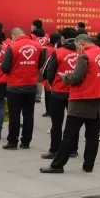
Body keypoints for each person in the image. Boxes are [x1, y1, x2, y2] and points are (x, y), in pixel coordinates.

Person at [41, 34, 100, 174]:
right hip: (98, 99)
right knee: (92, 136)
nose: (77, 50)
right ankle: (88, 165)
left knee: (69, 135)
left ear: (82, 44)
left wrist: (66, 78)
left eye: (77, 47)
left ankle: (57, 165)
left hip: (81, 100)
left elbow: (77, 77)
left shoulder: (85, 56)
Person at [0, 28, 42, 149]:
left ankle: (13, 141)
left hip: (15, 86)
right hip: (31, 85)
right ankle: (26, 142)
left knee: (14, 114)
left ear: (13, 36)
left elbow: (5, 67)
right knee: (29, 114)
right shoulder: (37, 46)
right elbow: (40, 64)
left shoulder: (12, 47)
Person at [41, 28, 80, 159]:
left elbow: (50, 71)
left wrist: (53, 84)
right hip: (75, 92)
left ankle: (54, 150)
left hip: (58, 91)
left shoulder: (58, 52)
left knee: (56, 124)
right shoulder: (81, 52)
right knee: (73, 123)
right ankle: (73, 150)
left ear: (63, 38)